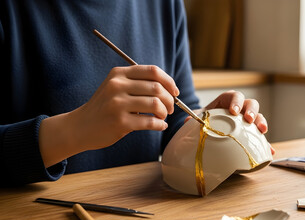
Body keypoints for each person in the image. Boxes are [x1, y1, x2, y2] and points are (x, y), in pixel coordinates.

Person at [0, 0, 271, 186]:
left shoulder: (164, 4)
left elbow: (174, 115)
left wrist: (206, 129)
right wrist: (74, 130)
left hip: (146, 216)